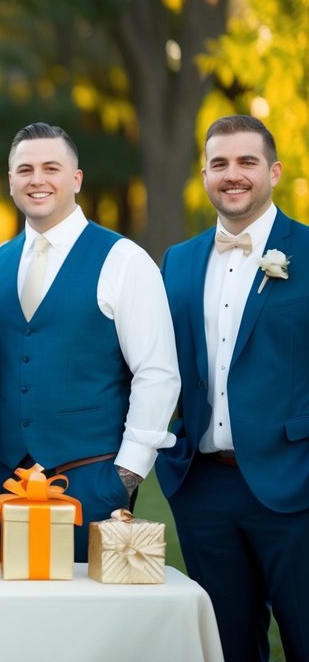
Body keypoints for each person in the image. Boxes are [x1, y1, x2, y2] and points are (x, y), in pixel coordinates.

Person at [0, 122, 179, 561]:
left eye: (52, 167)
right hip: (2, 483)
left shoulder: (124, 260)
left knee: (89, 620)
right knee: (7, 616)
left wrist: (124, 476)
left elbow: (158, 373)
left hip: (90, 479)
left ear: (76, 178)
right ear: (10, 180)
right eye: (25, 168)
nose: (37, 179)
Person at [157, 115, 309, 662]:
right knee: (226, 646)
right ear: (204, 174)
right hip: (203, 488)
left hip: (296, 484)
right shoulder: (179, 260)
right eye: (219, 163)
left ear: (274, 171)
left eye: (247, 162)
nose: (233, 174)